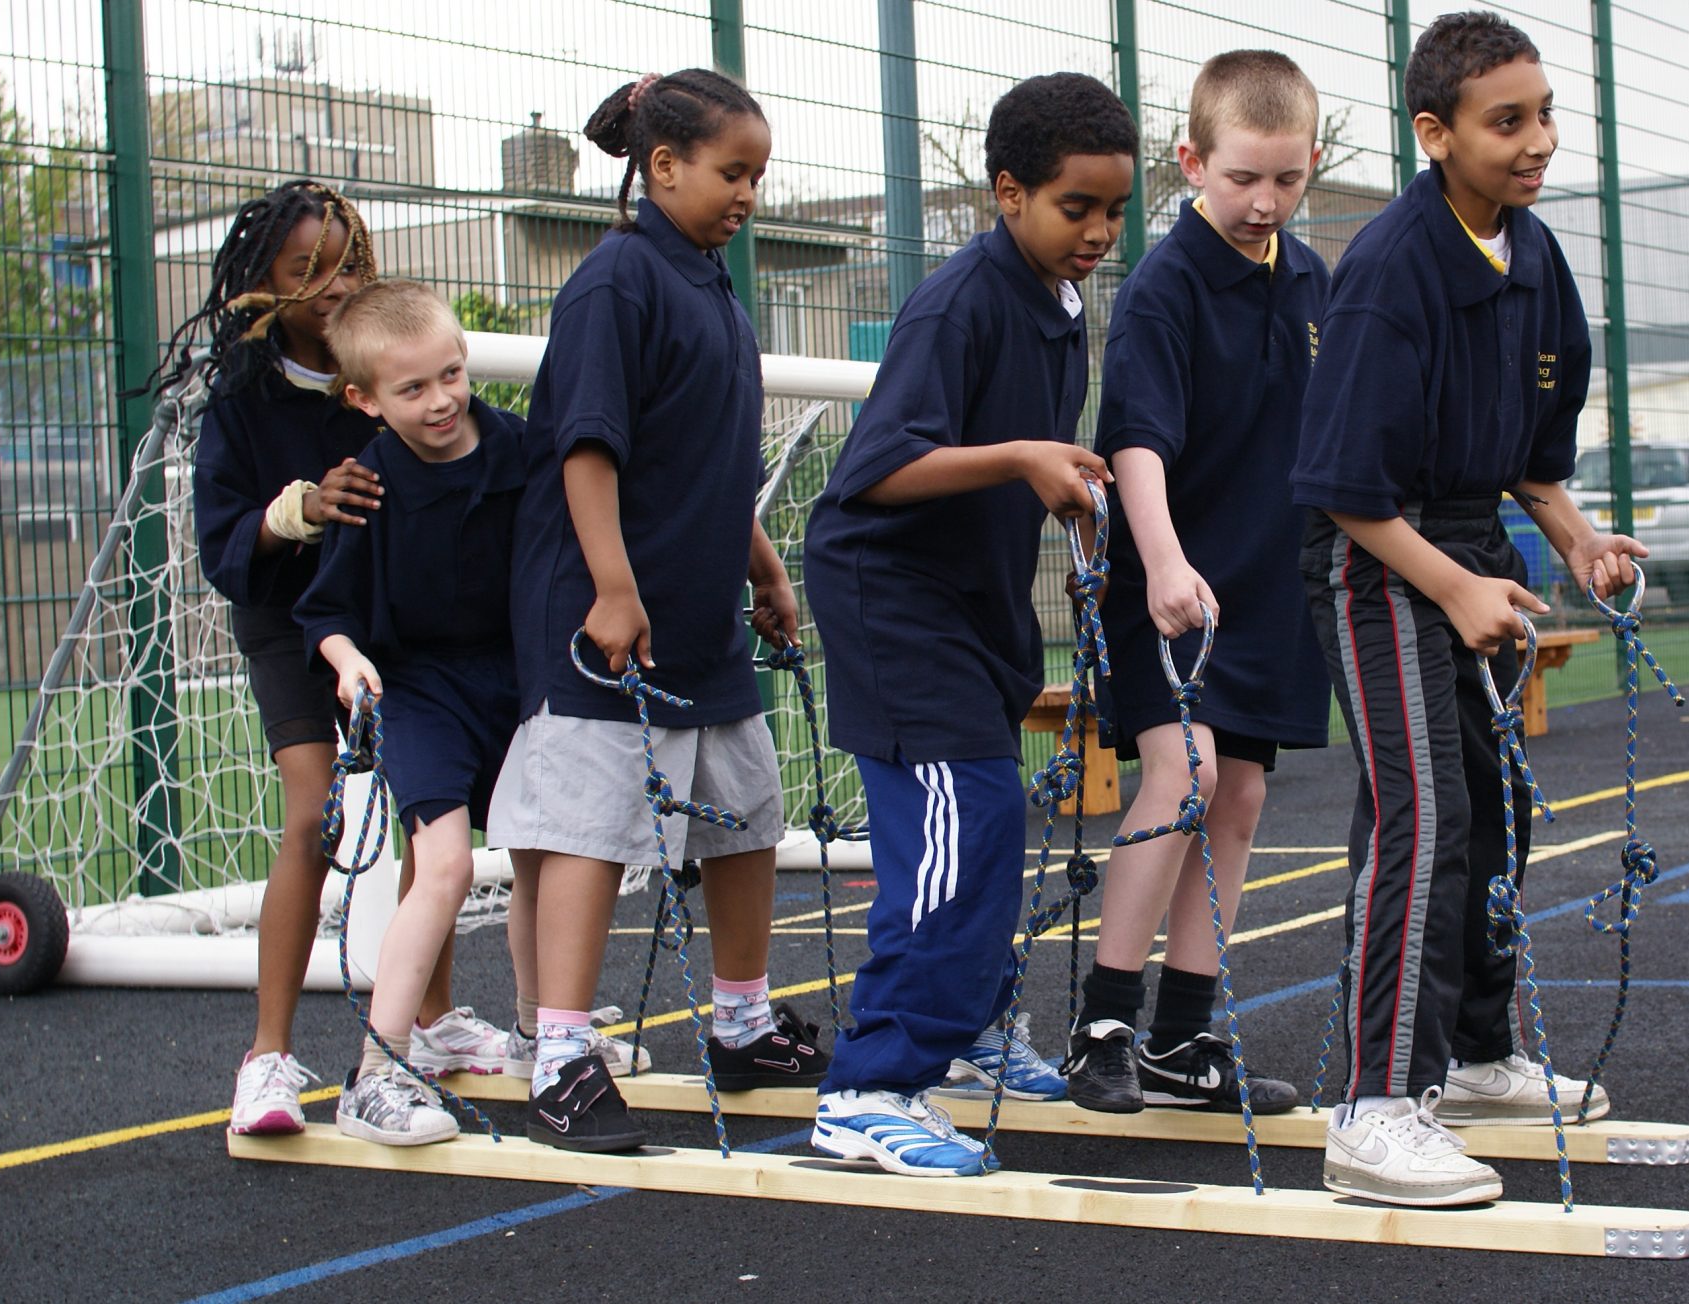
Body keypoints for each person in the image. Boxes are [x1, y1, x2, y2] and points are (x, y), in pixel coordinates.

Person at [1291, 11, 1646, 1208]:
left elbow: (1530, 462)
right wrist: (1450, 587)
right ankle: (1376, 1107)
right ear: (1435, 134)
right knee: (1421, 815)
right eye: (1509, 122)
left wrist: (1581, 542)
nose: (1538, 140)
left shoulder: (1534, 255)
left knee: (1494, 821)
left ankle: (1480, 1057)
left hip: (1475, 552)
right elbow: (1343, 489)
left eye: (1546, 114)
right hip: (1379, 563)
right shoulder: (1390, 268)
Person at [799, 72, 1137, 1178]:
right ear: (1007, 194)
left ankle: (965, 1036)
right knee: (961, 831)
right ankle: (866, 1086)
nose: (1096, 232)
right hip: (892, 598)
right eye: (1074, 207)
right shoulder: (961, 300)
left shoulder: (1060, 305)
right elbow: (882, 464)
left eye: (1112, 210)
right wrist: (1027, 457)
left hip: (973, 599)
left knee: (987, 824)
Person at [489, 68, 825, 1154]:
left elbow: (710, 463)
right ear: (662, 166)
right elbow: (588, 448)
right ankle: (561, 1058)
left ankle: (739, 1021)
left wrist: (764, 568)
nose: (747, 194)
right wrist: (614, 588)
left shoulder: (713, 287)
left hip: (701, 613)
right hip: (602, 618)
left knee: (747, 811)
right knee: (588, 834)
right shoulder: (615, 283)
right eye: (732, 172)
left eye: (757, 176)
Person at [184, 183, 511, 1137]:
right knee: (310, 822)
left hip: (394, 628)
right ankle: (269, 1057)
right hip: (291, 624)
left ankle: (436, 1022)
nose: (334, 285)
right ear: (263, 288)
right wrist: (299, 509)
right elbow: (223, 547)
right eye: (305, 270)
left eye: (348, 264)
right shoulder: (243, 407)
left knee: (433, 822)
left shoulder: (400, 373)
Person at [1062, 51, 1330, 1117]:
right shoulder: (1164, 288)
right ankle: (1103, 1026)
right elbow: (1136, 442)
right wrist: (1164, 561)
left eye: (1288, 179)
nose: (1265, 202)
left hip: (1270, 587)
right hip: (1171, 582)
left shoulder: (1312, 280)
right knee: (1187, 776)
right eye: (1242, 180)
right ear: (1191, 161)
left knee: (1244, 792)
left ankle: (1181, 1037)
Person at [293, 280, 535, 1145]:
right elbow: (326, 614)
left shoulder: (518, 449)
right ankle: (376, 1073)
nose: (441, 400)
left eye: (453, 375)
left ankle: (550, 1036)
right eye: (413, 389)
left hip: (520, 681)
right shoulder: (369, 486)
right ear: (363, 399)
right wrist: (349, 661)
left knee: (552, 852)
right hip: (420, 691)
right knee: (445, 867)